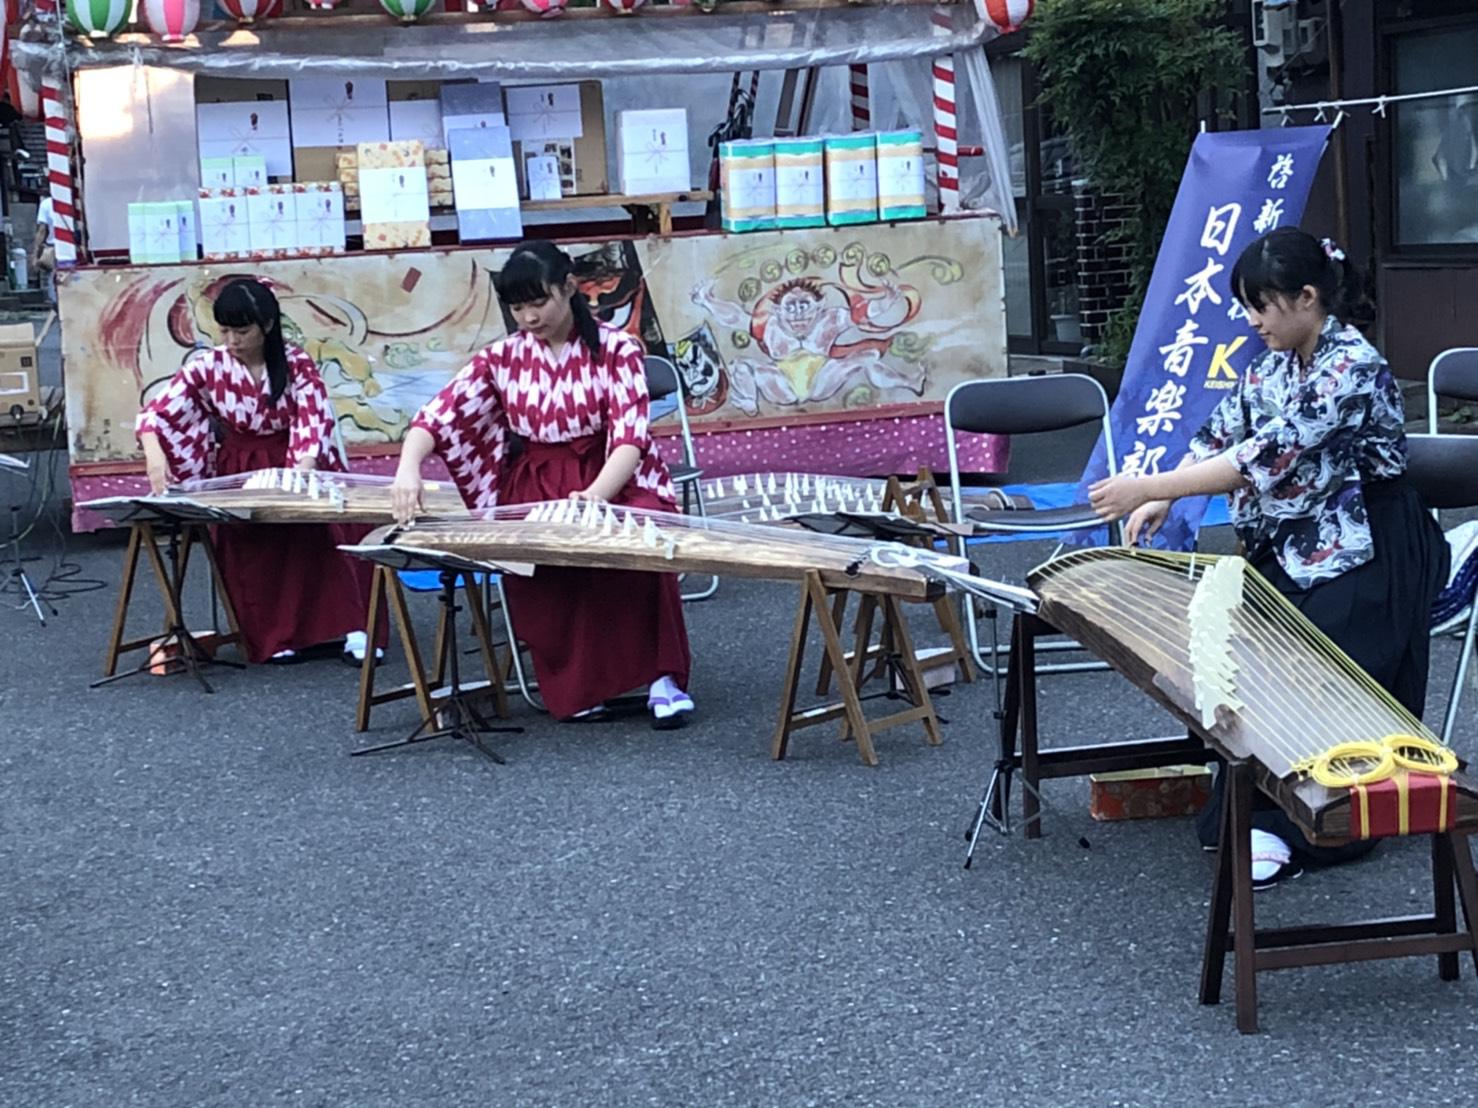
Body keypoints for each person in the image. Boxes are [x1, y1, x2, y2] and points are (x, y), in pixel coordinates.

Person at [1087, 227, 1450, 889]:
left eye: (1262, 306)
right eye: (1247, 307)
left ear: (1307, 297)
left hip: (1373, 545)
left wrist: (1152, 486)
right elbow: (1224, 431)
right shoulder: (1271, 364)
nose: (1253, 321)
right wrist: (1165, 496)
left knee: (1318, 674)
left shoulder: (1351, 364)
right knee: (1247, 655)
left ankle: (1317, 824)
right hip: (1302, 540)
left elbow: (1267, 454)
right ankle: (1256, 812)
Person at [390, 240, 694, 727]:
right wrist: (409, 468)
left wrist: (594, 497)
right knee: (546, 577)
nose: (529, 317)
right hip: (538, 479)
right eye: (518, 308)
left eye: (539, 302)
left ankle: (662, 678)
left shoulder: (617, 348)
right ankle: (579, 684)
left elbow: (629, 438)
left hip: (612, 472)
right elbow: (438, 416)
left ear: (568, 288)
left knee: (638, 547)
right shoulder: (502, 358)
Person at [137, 278, 381, 666]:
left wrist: (300, 472)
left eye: (242, 331)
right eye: (225, 331)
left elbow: (312, 418)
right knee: (255, 552)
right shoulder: (208, 366)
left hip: (295, 457)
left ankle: (354, 627)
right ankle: (276, 634)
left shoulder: (296, 362)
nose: (232, 340)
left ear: (266, 326)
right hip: (241, 463)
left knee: (326, 538)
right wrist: (155, 456)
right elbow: (158, 414)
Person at [31, 195, 54, 302]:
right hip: (74, 248)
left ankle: (55, 304)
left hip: (52, 248)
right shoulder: (73, 200)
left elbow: (42, 231)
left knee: (53, 279)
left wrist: (35, 254)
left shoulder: (46, 204)